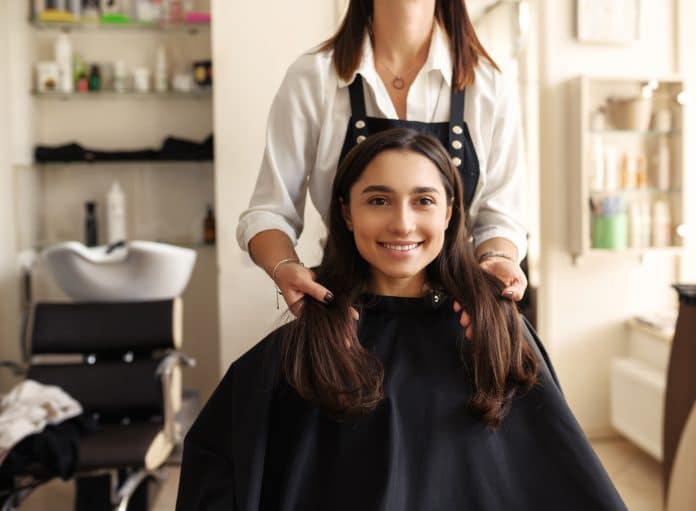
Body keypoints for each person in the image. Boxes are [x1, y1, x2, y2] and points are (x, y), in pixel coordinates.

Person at [177, 129, 627, 510]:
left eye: (424, 200)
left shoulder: (493, 334)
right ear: (347, 213)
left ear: (449, 213)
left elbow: (564, 478)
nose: (402, 223)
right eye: (378, 200)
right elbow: (217, 467)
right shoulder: (301, 349)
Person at [237, 0, 530, 312]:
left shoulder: (489, 86)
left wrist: (498, 259)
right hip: (345, 317)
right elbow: (270, 213)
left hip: (460, 318)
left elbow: (500, 220)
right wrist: (284, 267)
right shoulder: (313, 78)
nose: (403, 225)